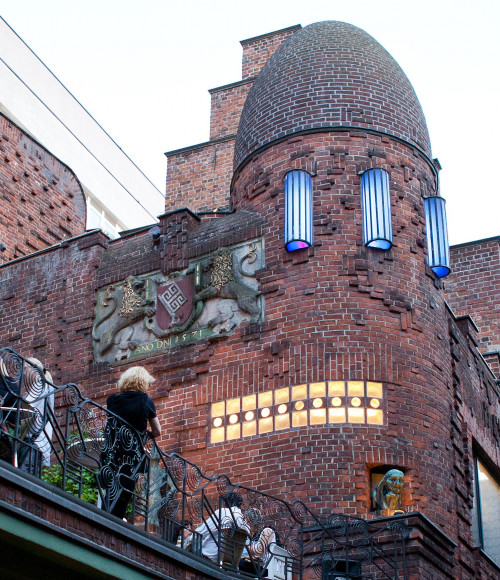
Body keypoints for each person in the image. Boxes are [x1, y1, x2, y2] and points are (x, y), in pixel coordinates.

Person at [101, 366, 161, 519]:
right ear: (142, 382)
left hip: (112, 452)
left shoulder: (113, 400)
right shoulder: (145, 401)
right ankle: (114, 521)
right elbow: (157, 431)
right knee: (125, 491)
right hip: (130, 455)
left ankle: (106, 517)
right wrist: (145, 434)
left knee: (110, 489)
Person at [185, 491, 250, 562]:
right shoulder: (245, 524)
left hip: (208, 557)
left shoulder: (223, 513)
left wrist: (184, 544)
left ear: (225, 503)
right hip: (228, 562)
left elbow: (200, 532)